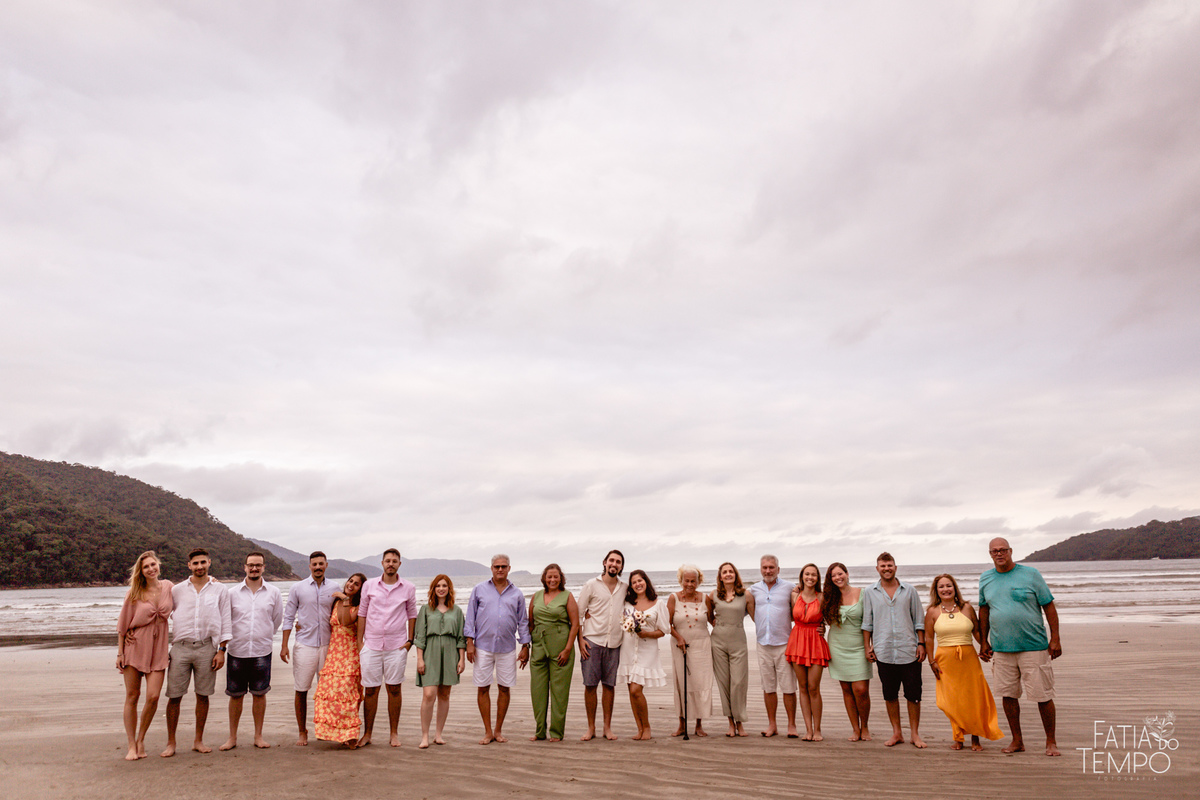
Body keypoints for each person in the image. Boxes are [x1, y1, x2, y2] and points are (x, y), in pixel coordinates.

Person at [979, 537, 1062, 757]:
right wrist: (983, 641)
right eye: (995, 551)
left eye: (1003, 550)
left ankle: (1051, 742)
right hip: (1002, 648)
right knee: (1008, 695)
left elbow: (1049, 606)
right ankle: (1017, 741)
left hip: (1033, 647)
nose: (999, 554)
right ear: (990, 554)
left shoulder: (1031, 574)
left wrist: (1055, 638)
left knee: (1042, 695)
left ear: (1010, 551)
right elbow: (984, 610)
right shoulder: (986, 578)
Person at [162, 548, 230, 758]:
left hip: (207, 648)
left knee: (203, 695)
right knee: (174, 696)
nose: (199, 566)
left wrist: (221, 650)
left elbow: (226, 621)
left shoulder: (220, 590)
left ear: (209, 562)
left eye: (203, 562)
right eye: (195, 563)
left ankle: (198, 740)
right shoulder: (177, 590)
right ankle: (171, 742)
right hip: (180, 648)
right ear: (189, 565)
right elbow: (161, 616)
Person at [925, 573, 1003, 751]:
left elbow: (976, 631)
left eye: (949, 585)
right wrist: (931, 661)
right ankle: (958, 737)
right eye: (941, 586)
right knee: (952, 700)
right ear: (936, 591)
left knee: (973, 698)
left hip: (968, 659)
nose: (945, 589)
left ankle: (975, 737)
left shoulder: (966, 608)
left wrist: (984, 646)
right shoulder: (932, 611)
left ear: (954, 588)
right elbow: (929, 638)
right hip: (945, 660)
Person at [861, 552, 926, 748]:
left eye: (889, 565)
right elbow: (867, 623)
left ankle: (914, 734)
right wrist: (867, 647)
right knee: (890, 695)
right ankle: (897, 733)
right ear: (877, 569)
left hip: (909, 651)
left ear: (895, 567)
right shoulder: (869, 592)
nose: (886, 568)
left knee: (914, 696)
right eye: (883, 566)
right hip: (884, 651)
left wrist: (921, 644)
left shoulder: (910, 591)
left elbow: (919, 620)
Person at [219, 552, 283, 751]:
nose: (254, 568)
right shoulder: (232, 593)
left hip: (262, 651)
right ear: (245, 567)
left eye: (258, 565)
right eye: (251, 565)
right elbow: (225, 621)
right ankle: (232, 737)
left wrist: (262, 635)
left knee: (259, 694)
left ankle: (258, 736)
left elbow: (276, 620)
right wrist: (222, 647)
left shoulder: (274, 592)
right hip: (237, 651)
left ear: (263, 567)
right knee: (235, 695)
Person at [464, 554, 531, 745]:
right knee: (483, 687)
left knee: (504, 687)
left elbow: (523, 622)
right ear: (491, 568)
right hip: (482, 647)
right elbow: (470, 617)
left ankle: (498, 730)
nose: (500, 569)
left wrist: (525, 646)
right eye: (496, 566)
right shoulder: (479, 589)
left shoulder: (517, 593)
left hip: (507, 648)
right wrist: (469, 642)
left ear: (509, 568)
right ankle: (487, 732)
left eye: (503, 566)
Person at [356, 548, 418, 748]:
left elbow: (412, 615)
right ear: (382, 563)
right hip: (371, 645)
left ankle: (394, 733)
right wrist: (360, 642)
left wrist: (410, 641)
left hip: (396, 646)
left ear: (399, 564)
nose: (391, 564)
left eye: (394, 561)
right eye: (388, 560)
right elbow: (362, 613)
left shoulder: (408, 588)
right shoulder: (369, 585)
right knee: (370, 690)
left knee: (394, 689)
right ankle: (367, 734)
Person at [116, 550, 173, 761]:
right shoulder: (134, 593)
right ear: (140, 571)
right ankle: (131, 745)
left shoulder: (169, 587)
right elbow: (122, 626)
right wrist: (120, 653)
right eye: (146, 566)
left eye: (153, 564)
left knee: (153, 696)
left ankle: (141, 739)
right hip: (134, 647)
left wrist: (211, 580)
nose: (150, 569)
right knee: (132, 696)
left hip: (158, 649)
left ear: (159, 565)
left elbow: (191, 591)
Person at [280, 551, 340, 746]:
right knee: (301, 689)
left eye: (321, 564)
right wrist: (284, 645)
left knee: (327, 690)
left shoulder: (335, 588)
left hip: (328, 645)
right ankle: (302, 731)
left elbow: (341, 614)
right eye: (314, 564)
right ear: (309, 566)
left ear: (326, 565)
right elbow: (289, 616)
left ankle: (326, 729)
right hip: (305, 645)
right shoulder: (298, 588)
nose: (318, 567)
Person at [575, 549, 627, 741]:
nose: (614, 564)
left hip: (614, 643)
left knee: (609, 686)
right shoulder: (591, 585)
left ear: (621, 566)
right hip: (592, 642)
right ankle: (591, 728)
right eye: (611, 560)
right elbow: (579, 614)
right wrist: (580, 640)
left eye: (618, 562)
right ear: (605, 562)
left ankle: (607, 727)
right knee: (590, 685)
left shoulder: (625, 587)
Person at [313, 572, 367, 748]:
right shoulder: (336, 603)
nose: (351, 584)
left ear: (361, 589)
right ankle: (332, 732)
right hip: (334, 654)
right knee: (330, 694)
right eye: (350, 581)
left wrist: (345, 599)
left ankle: (350, 736)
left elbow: (345, 621)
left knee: (347, 696)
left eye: (356, 584)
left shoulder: (359, 606)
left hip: (350, 655)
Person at [747, 554, 798, 737]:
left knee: (788, 687)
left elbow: (802, 607)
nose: (768, 571)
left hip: (785, 644)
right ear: (760, 569)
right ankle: (772, 725)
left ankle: (791, 725)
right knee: (768, 688)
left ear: (778, 569)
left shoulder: (790, 587)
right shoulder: (753, 590)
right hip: (763, 644)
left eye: (771, 567)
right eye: (765, 567)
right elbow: (746, 609)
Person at [615, 569, 669, 740]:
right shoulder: (627, 604)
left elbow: (663, 631)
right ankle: (639, 729)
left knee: (636, 690)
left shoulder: (658, 603)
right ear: (631, 586)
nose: (638, 584)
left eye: (640, 580)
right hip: (628, 650)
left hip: (647, 651)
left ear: (646, 581)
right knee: (631, 692)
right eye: (634, 582)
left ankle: (647, 727)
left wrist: (647, 634)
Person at [528, 564, 579, 742]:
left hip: (561, 650)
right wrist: (526, 647)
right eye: (549, 576)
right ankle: (539, 731)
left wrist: (567, 649)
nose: (552, 580)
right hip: (538, 649)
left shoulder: (567, 596)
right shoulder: (536, 596)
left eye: (556, 576)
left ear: (561, 578)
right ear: (544, 578)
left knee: (559, 692)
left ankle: (557, 732)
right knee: (538, 691)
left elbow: (575, 624)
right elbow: (530, 624)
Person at [414, 574, 466, 749]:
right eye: (438, 586)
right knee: (429, 694)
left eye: (444, 585)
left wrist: (461, 659)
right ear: (433, 589)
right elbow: (420, 636)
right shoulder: (425, 609)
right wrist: (420, 659)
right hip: (431, 651)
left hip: (451, 652)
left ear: (449, 589)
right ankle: (424, 736)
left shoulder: (456, 611)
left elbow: (461, 637)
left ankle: (438, 734)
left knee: (444, 695)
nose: (441, 589)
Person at [822, 562, 872, 742]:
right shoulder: (829, 598)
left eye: (840, 573)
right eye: (833, 575)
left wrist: (870, 645)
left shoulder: (863, 593)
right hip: (837, 646)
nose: (838, 577)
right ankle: (855, 729)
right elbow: (813, 609)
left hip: (859, 646)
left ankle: (865, 727)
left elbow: (870, 621)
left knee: (861, 689)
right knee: (846, 689)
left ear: (847, 573)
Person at [785, 563, 831, 741]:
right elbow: (789, 616)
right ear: (802, 576)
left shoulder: (822, 597)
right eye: (807, 574)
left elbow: (829, 619)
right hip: (797, 642)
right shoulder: (794, 595)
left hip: (815, 643)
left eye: (813, 575)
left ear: (817, 578)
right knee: (802, 687)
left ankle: (817, 729)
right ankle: (808, 730)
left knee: (813, 687)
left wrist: (824, 627)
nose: (810, 577)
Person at [708, 561, 753, 737]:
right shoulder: (713, 595)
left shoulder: (746, 595)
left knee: (738, 683)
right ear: (720, 576)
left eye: (731, 571)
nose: (728, 574)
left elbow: (757, 617)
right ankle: (730, 723)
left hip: (739, 643)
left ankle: (740, 722)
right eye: (725, 572)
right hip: (718, 643)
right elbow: (709, 616)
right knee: (724, 683)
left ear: (735, 575)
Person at [668, 564, 713, 737]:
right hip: (680, 646)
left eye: (693, 581)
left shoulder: (705, 598)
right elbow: (667, 624)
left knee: (700, 684)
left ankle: (699, 725)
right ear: (681, 581)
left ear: (698, 581)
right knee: (682, 683)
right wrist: (679, 638)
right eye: (686, 580)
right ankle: (682, 724)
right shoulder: (673, 598)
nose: (689, 584)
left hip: (702, 646)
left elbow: (713, 620)